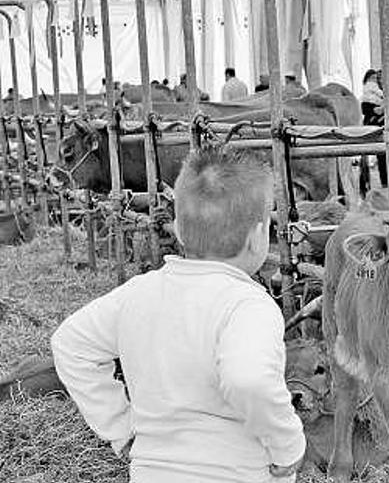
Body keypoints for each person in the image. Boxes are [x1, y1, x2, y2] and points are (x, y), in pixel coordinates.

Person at [51, 144, 306, 482]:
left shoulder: (138, 293)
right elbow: (249, 378)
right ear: (259, 238)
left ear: (179, 230)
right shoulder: (250, 305)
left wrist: (122, 429)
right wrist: (288, 444)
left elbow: (69, 344)